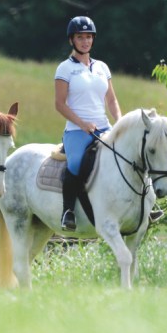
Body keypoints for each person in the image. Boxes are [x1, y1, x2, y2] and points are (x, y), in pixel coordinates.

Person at [54, 16, 122, 231]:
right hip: (77, 130)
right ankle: (68, 211)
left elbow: (111, 100)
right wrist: (82, 124)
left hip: (104, 127)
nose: (85, 41)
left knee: (128, 155)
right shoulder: (64, 69)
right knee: (75, 164)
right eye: (80, 37)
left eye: (89, 37)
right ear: (71, 40)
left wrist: (120, 123)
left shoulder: (102, 67)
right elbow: (59, 104)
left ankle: (142, 206)